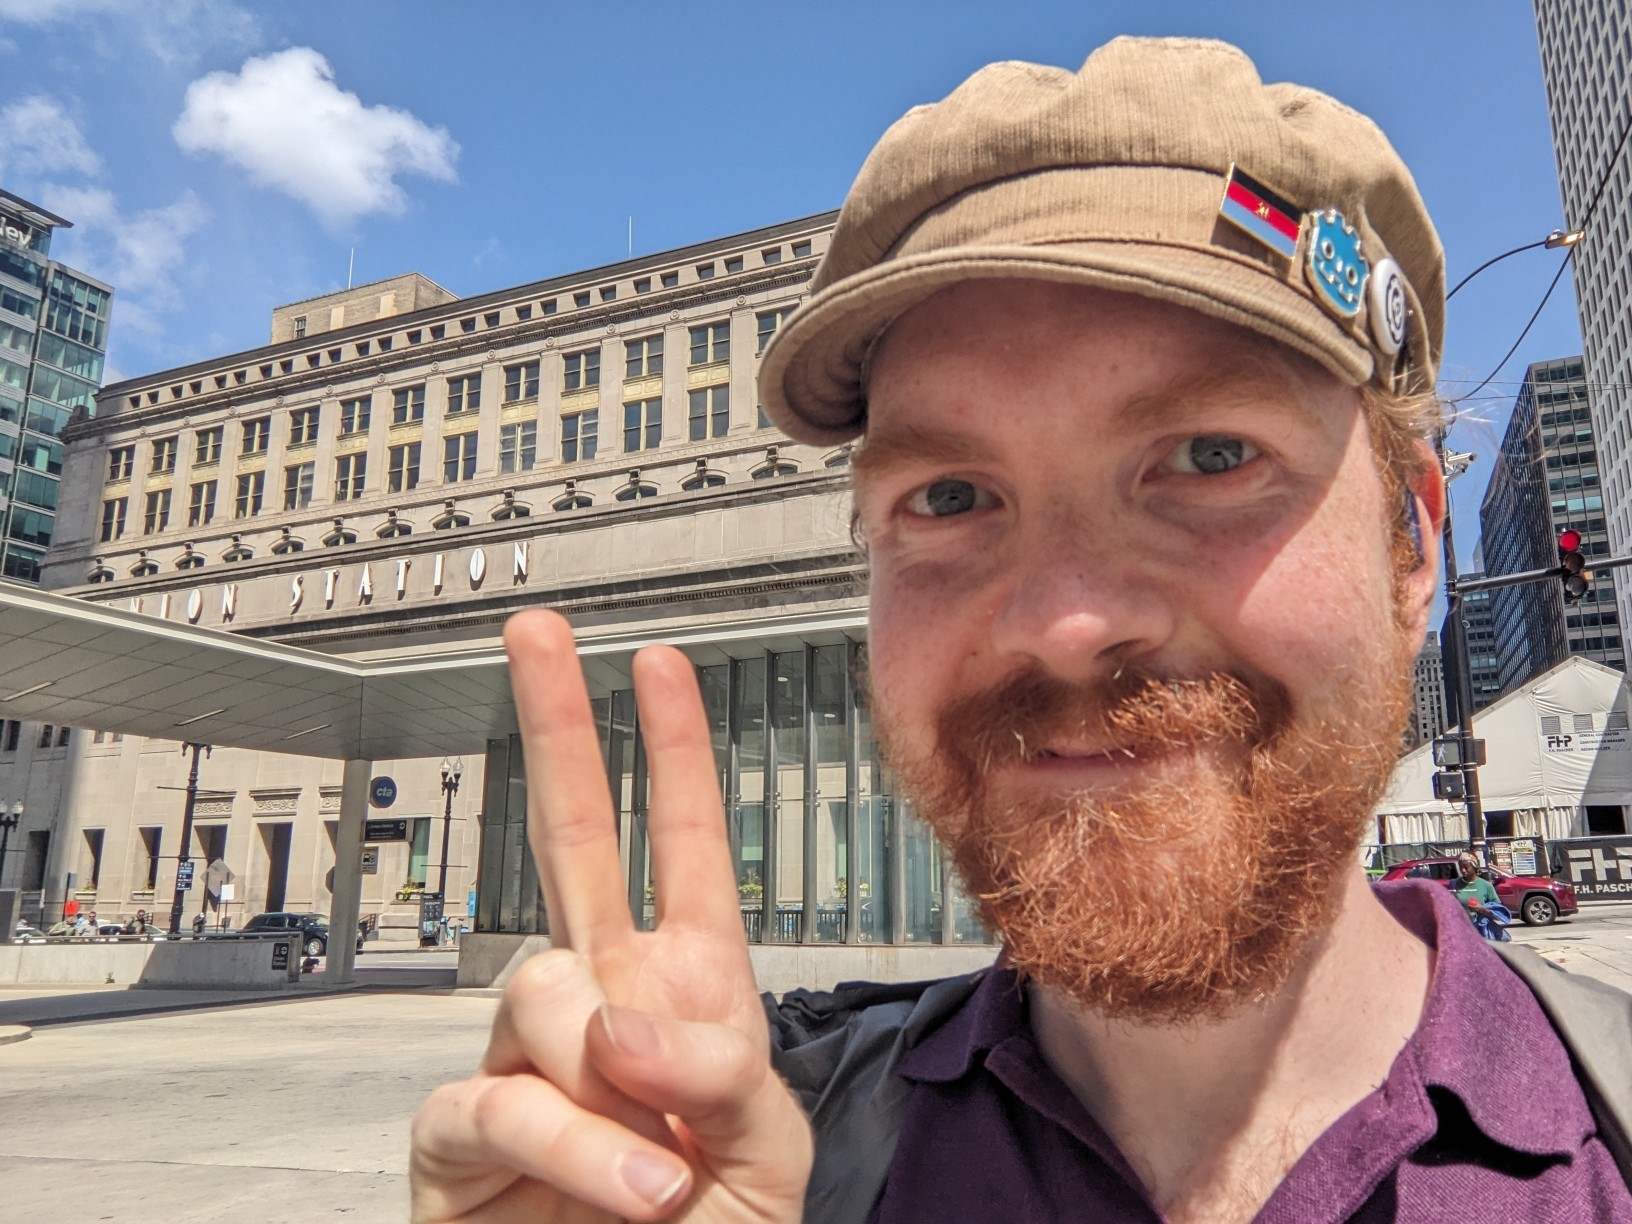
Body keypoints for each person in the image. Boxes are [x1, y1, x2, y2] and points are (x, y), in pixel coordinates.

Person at [409, 37, 1632, 1224]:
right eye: (948, 497)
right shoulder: (761, 1169)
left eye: (1211, 457)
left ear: (1411, 542)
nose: (1064, 623)